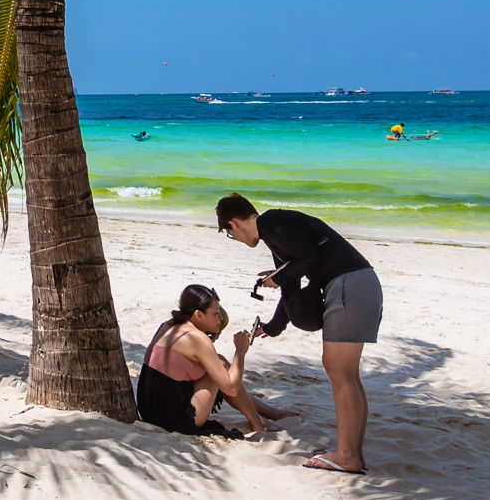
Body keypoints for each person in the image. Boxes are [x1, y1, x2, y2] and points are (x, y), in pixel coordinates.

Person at [217, 194, 382, 474]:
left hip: (348, 285)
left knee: (339, 371)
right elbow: (292, 281)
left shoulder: (270, 222)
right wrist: (273, 326)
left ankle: (346, 455)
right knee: (348, 374)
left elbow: (308, 258)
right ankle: (353, 453)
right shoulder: (277, 235)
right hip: (359, 283)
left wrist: (279, 276)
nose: (238, 240)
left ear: (233, 224)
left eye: (231, 234)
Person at [136, 285, 293, 438]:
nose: (221, 318)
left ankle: (269, 414)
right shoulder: (197, 338)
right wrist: (240, 352)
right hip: (174, 419)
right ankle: (258, 422)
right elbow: (230, 389)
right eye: (216, 313)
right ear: (198, 315)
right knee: (222, 369)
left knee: (219, 362)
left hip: (149, 409)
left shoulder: (169, 325)